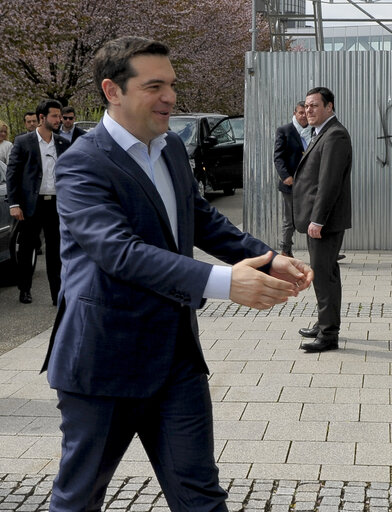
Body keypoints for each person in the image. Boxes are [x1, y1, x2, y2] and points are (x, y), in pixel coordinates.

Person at [41, 36, 314, 512]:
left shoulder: (168, 149)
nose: (170, 96)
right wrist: (226, 282)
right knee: (79, 498)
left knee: (200, 496)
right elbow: (119, 252)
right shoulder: (81, 164)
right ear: (113, 90)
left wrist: (267, 258)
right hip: (102, 363)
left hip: (175, 360)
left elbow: (199, 217)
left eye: (171, 84)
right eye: (154, 86)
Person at [292, 86, 352, 353]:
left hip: (324, 223)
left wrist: (317, 220)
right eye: (306, 106)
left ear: (329, 107)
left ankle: (328, 335)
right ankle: (325, 323)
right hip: (319, 221)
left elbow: (329, 183)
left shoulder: (335, 135)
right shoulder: (323, 133)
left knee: (323, 277)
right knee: (326, 274)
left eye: (314, 105)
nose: (308, 110)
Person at [6, 99, 70, 305]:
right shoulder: (24, 142)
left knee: (55, 250)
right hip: (32, 205)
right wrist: (14, 204)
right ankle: (24, 289)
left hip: (56, 205)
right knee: (27, 249)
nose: (59, 120)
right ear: (42, 118)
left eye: (60, 116)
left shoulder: (63, 143)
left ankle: (57, 294)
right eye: (55, 116)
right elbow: (12, 173)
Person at [273, 101, 311, 258]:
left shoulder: (315, 131)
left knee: (314, 218)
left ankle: (321, 251)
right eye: (300, 112)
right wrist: (285, 176)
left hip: (309, 184)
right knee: (290, 221)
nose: (304, 116)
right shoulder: (285, 130)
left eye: (306, 113)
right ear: (295, 113)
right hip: (291, 183)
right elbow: (278, 157)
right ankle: (286, 250)